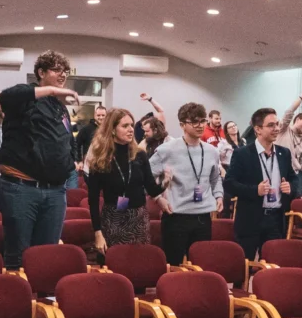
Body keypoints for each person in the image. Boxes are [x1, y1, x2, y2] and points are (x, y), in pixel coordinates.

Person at [0, 50, 80, 269]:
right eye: (56, 70)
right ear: (41, 73)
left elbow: (66, 138)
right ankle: (18, 291)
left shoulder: (59, 106)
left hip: (55, 191)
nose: (63, 75)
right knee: (19, 255)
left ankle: (40, 292)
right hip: (22, 189)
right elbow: (5, 96)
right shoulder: (25, 99)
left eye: (65, 71)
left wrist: (72, 160)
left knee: (46, 256)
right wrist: (51, 90)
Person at [86, 109, 170, 253]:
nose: (131, 129)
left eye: (131, 125)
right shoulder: (100, 159)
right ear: (112, 130)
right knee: (115, 260)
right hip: (113, 218)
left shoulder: (140, 155)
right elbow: (93, 200)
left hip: (138, 219)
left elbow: (151, 189)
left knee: (140, 261)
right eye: (125, 126)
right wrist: (97, 232)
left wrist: (165, 182)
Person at [151, 102, 224, 265]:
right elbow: (146, 176)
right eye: (195, 122)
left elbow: (215, 178)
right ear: (182, 125)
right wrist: (158, 198)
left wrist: (219, 195)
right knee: (173, 265)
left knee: (201, 265)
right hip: (176, 216)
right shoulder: (167, 150)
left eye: (203, 121)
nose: (200, 125)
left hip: (203, 216)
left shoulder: (212, 151)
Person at [224, 108, 295, 262]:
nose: (276, 128)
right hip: (251, 218)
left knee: (272, 266)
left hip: (276, 219)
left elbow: (294, 180)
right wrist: (255, 190)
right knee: (245, 266)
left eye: (277, 124)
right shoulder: (243, 154)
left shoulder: (284, 153)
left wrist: (291, 187)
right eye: (271, 125)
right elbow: (229, 184)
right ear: (257, 129)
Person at [272, 87, 302, 193]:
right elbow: (289, 111)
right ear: (298, 119)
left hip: (294, 177)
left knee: (297, 200)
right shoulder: (284, 129)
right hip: (277, 173)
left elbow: (299, 162)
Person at [218, 121, 246, 217]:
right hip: (228, 168)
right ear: (227, 131)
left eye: (234, 125)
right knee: (228, 193)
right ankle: (225, 216)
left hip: (242, 170)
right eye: (230, 127)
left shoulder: (243, 141)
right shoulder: (223, 142)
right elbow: (216, 158)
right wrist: (221, 169)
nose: (233, 128)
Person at [75, 105, 107, 171]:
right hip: (89, 166)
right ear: (95, 115)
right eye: (98, 115)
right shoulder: (85, 129)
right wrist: (79, 161)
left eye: (103, 115)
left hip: (105, 165)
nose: (101, 117)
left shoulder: (109, 130)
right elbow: (76, 144)